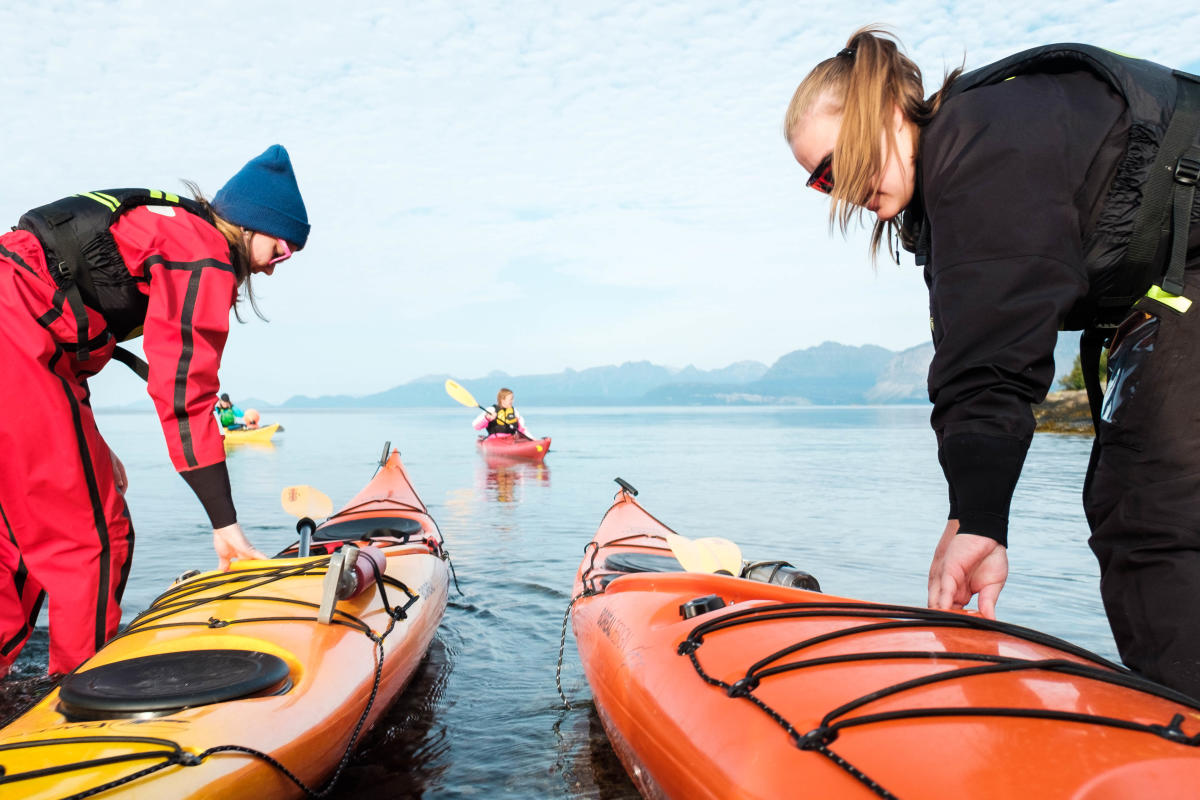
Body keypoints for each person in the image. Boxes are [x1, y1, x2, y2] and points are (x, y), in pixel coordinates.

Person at [785, 28, 1200, 696]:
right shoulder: (956, 180)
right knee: (1133, 502)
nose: (839, 190)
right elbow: (968, 352)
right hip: (1172, 284)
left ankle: (1183, 734)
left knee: (1153, 512)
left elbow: (995, 360)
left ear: (886, 111)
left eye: (839, 162)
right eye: (821, 180)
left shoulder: (981, 145)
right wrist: (966, 512)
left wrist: (982, 523)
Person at [0, 144, 310, 677]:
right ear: (250, 225)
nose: (274, 269)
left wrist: (95, 445)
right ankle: (80, 700)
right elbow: (184, 390)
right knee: (94, 539)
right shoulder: (202, 250)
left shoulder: (168, 226)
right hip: (14, 335)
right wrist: (225, 524)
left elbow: (60, 331)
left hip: (20, 335)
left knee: (18, 539)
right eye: (280, 251)